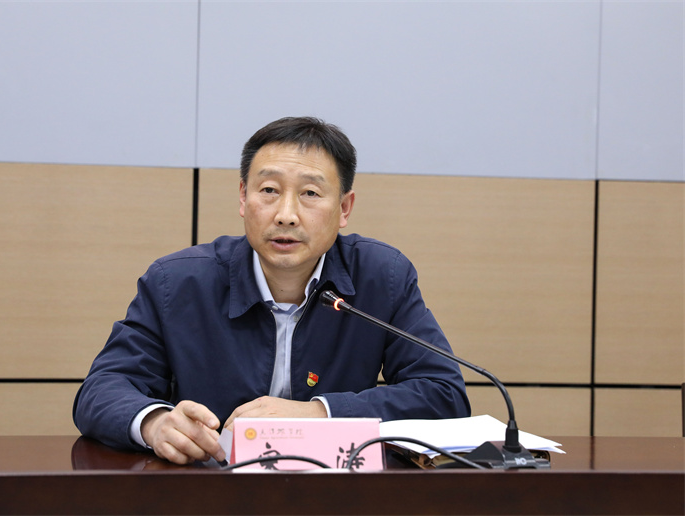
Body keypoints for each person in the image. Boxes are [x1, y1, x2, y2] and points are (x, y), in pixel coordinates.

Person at [73, 116, 470, 465]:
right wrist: (156, 423)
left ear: (344, 208)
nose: (286, 215)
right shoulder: (176, 282)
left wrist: (318, 414)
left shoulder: (381, 277)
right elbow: (102, 389)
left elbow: (443, 393)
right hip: (211, 493)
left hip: (335, 495)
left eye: (310, 193)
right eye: (268, 190)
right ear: (243, 197)